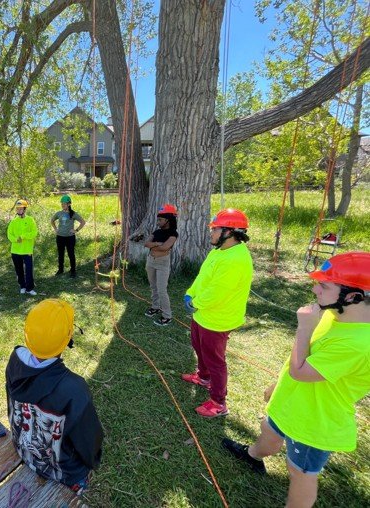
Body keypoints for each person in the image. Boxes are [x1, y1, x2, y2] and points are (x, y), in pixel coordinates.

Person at [221, 252, 370, 508]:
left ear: (353, 296)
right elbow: (303, 358)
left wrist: (304, 328)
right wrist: (277, 387)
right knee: (269, 431)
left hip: (313, 422)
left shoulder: (358, 344)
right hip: (291, 402)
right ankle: (253, 455)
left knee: (299, 472)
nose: (315, 289)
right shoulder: (335, 316)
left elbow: (300, 371)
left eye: (324, 285)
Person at [5, 299, 104, 494]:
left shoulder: (14, 361)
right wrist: (94, 460)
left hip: (23, 451)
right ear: (67, 339)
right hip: (65, 474)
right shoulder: (74, 389)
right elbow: (89, 441)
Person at [181, 208, 253, 418]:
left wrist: (197, 302)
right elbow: (204, 277)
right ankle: (203, 378)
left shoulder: (235, 259)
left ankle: (218, 402)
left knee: (215, 360)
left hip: (218, 318)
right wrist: (190, 293)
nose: (211, 233)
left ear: (229, 232)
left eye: (215, 229)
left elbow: (218, 291)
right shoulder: (219, 251)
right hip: (203, 314)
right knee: (198, 346)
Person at [143, 204, 179, 326]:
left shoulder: (173, 234)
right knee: (153, 286)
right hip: (150, 261)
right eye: (157, 219)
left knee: (162, 289)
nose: (158, 222)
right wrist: (158, 243)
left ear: (168, 220)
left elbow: (165, 248)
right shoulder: (157, 231)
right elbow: (146, 243)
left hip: (162, 263)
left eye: (160, 220)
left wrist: (155, 244)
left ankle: (167, 315)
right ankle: (155, 306)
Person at [7, 199, 38, 296]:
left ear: (25, 209)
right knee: (19, 270)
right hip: (15, 251)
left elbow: (34, 233)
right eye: (17, 209)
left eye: (20, 209)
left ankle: (30, 288)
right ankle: (22, 286)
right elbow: (9, 234)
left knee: (29, 270)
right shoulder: (13, 222)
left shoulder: (30, 220)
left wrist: (24, 236)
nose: (19, 210)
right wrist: (16, 239)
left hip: (27, 250)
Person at [51, 195, 86, 278]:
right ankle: (60, 270)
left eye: (64, 204)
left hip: (70, 238)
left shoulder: (73, 214)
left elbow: (83, 222)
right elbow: (52, 220)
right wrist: (55, 229)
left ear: (69, 204)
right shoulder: (59, 213)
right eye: (62, 204)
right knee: (60, 254)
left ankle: (73, 271)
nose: (63, 205)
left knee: (71, 254)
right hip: (60, 237)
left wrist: (76, 230)